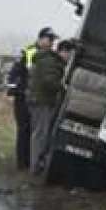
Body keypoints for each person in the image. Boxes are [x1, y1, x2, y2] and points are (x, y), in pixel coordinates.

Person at [6, 27, 56, 170]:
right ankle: (22, 163)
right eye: (49, 39)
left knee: (33, 130)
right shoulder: (31, 52)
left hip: (32, 96)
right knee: (24, 129)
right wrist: (14, 90)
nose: (52, 42)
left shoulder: (47, 55)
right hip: (24, 96)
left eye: (53, 40)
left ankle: (28, 161)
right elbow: (19, 72)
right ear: (40, 39)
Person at [28, 37, 76, 174]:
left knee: (40, 132)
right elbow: (49, 82)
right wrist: (62, 86)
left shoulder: (49, 60)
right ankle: (35, 165)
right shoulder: (51, 62)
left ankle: (37, 163)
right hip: (42, 101)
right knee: (40, 134)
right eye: (70, 54)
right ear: (63, 52)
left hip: (39, 100)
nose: (70, 58)